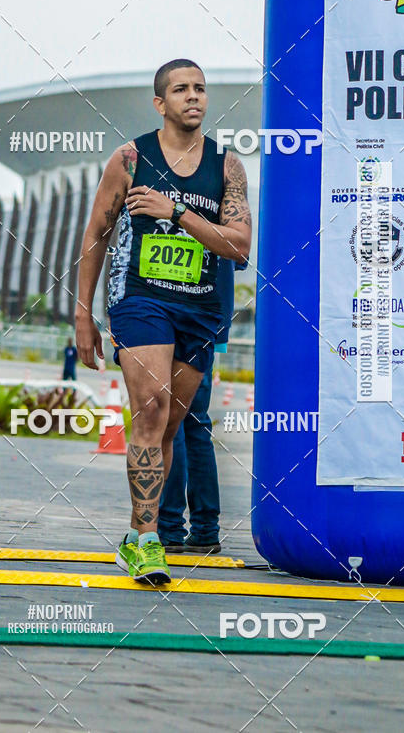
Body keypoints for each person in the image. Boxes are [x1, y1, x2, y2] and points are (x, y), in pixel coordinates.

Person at [75, 59, 251, 584]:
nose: (193, 97)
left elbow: (239, 247)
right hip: (139, 297)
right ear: (160, 103)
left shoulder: (226, 167)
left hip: (199, 308)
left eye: (200, 88)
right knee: (149, 409)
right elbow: (95, 237)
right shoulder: (129, 159)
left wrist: (175, 212)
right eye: (181, 89)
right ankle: (149, 539)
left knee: (169, 425)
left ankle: (135, 534)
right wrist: (83, 314)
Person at [158, 257, 241, 554]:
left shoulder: (183, 210)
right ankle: (206, 527)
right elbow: (237, 259)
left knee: (172, 420)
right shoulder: (227, 211)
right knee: (195, 423)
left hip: (185, 317)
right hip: (213, 318)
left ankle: (168, 526)